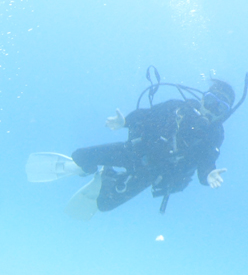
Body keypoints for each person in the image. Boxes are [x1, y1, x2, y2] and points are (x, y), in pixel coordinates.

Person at [69, 78, 237, 213]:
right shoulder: (178, 107)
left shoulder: (214, 134)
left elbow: (207, 161)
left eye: (220, 107)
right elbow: (146, 115)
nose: (211, 109)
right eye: (210, 100)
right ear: (202, 98)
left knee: (105, 205)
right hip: (135, 152)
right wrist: (125, 122)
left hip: (153, 172)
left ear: (224, 113)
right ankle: (91, 170)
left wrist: (208, 176)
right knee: (79, 156)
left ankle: (109, 175)